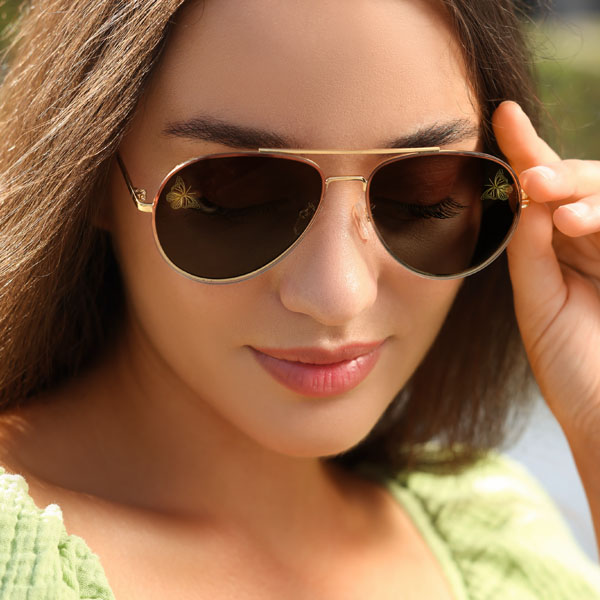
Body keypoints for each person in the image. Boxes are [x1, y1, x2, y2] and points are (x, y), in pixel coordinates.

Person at [0, 0, 599, 598]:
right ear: (95, 177)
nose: (338, 295)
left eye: (422, 195)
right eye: (240, 196)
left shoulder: (498, 537)